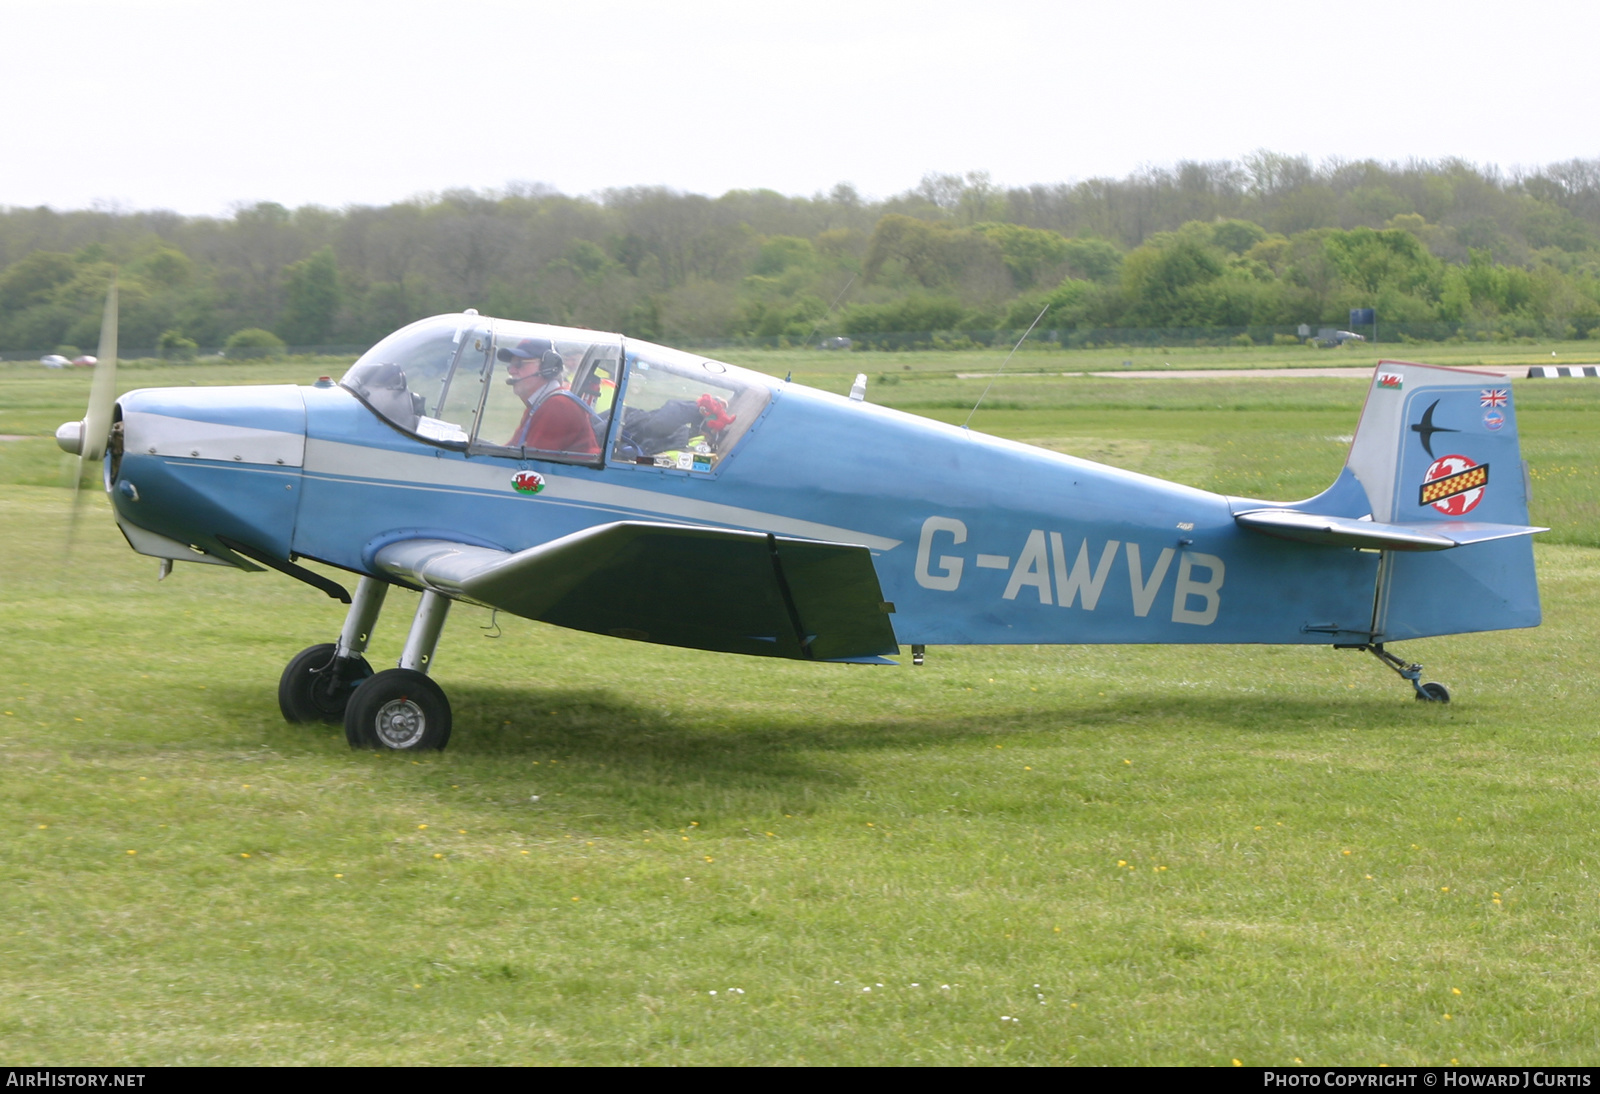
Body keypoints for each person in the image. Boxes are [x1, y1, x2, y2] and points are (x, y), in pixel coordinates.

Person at [500, 338, 600, 455]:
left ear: (548, 367)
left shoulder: (558, 406)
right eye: (510, 365)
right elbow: (510, 449)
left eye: (519, 364)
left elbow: (530, 462)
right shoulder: (538, 405)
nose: (511, 371)